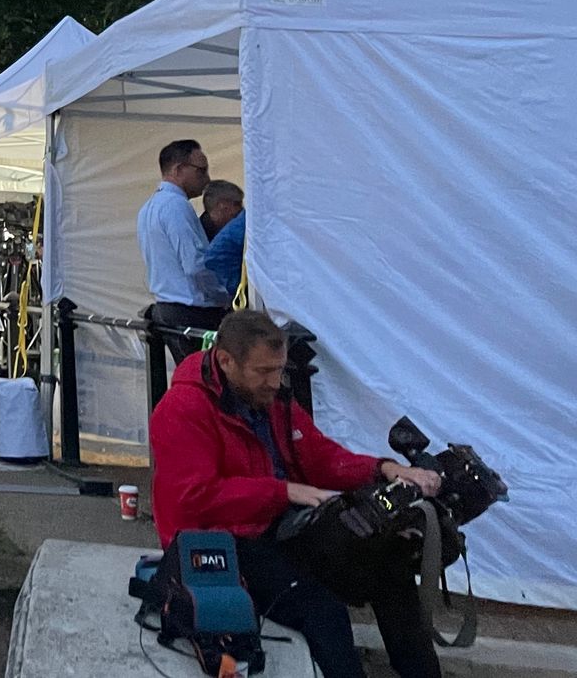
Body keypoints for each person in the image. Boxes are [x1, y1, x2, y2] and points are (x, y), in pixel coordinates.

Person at [150, 310, 444, 678]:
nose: (275, 382)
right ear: (226, 361)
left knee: (390, 564)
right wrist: (283, 491)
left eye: (280, 369)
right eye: (264, 372)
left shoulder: (269, 399)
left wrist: (383, 468)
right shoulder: (183, 408)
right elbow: (192, 498)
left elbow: (319, 454)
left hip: (279, 527)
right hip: (219, 542)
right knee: (322, 608)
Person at [137, 139, 230, 361]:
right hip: (193, 312)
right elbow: (196, 264)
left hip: (169, 308)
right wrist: (224, 296)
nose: (207, 179)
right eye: (201, 170)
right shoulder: (176, 207)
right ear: (179, 169)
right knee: (211, 383)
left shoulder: (149, 207)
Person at [200, 179, 246, 300]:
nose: (241, 209)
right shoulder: (199, 235)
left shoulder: (202, 229)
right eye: (237, 204)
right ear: (223, 205)